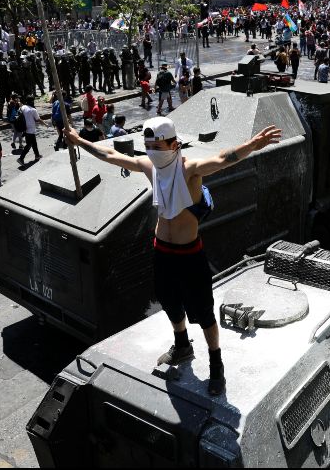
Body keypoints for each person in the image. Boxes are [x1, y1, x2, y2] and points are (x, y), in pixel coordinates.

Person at [64, 116, 282, 396]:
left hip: (189, 253)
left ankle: (216, 365)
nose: (153, 150)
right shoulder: (149, 166)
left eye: (158, 144)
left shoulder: (189, 169)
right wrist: (79, 141)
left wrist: (253, 144)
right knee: (169, 301)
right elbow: (111, 154)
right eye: (148, 145)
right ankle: (182, 345)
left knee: (203, 311)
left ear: (174, 143)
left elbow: (223, 159)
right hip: (162, 249)